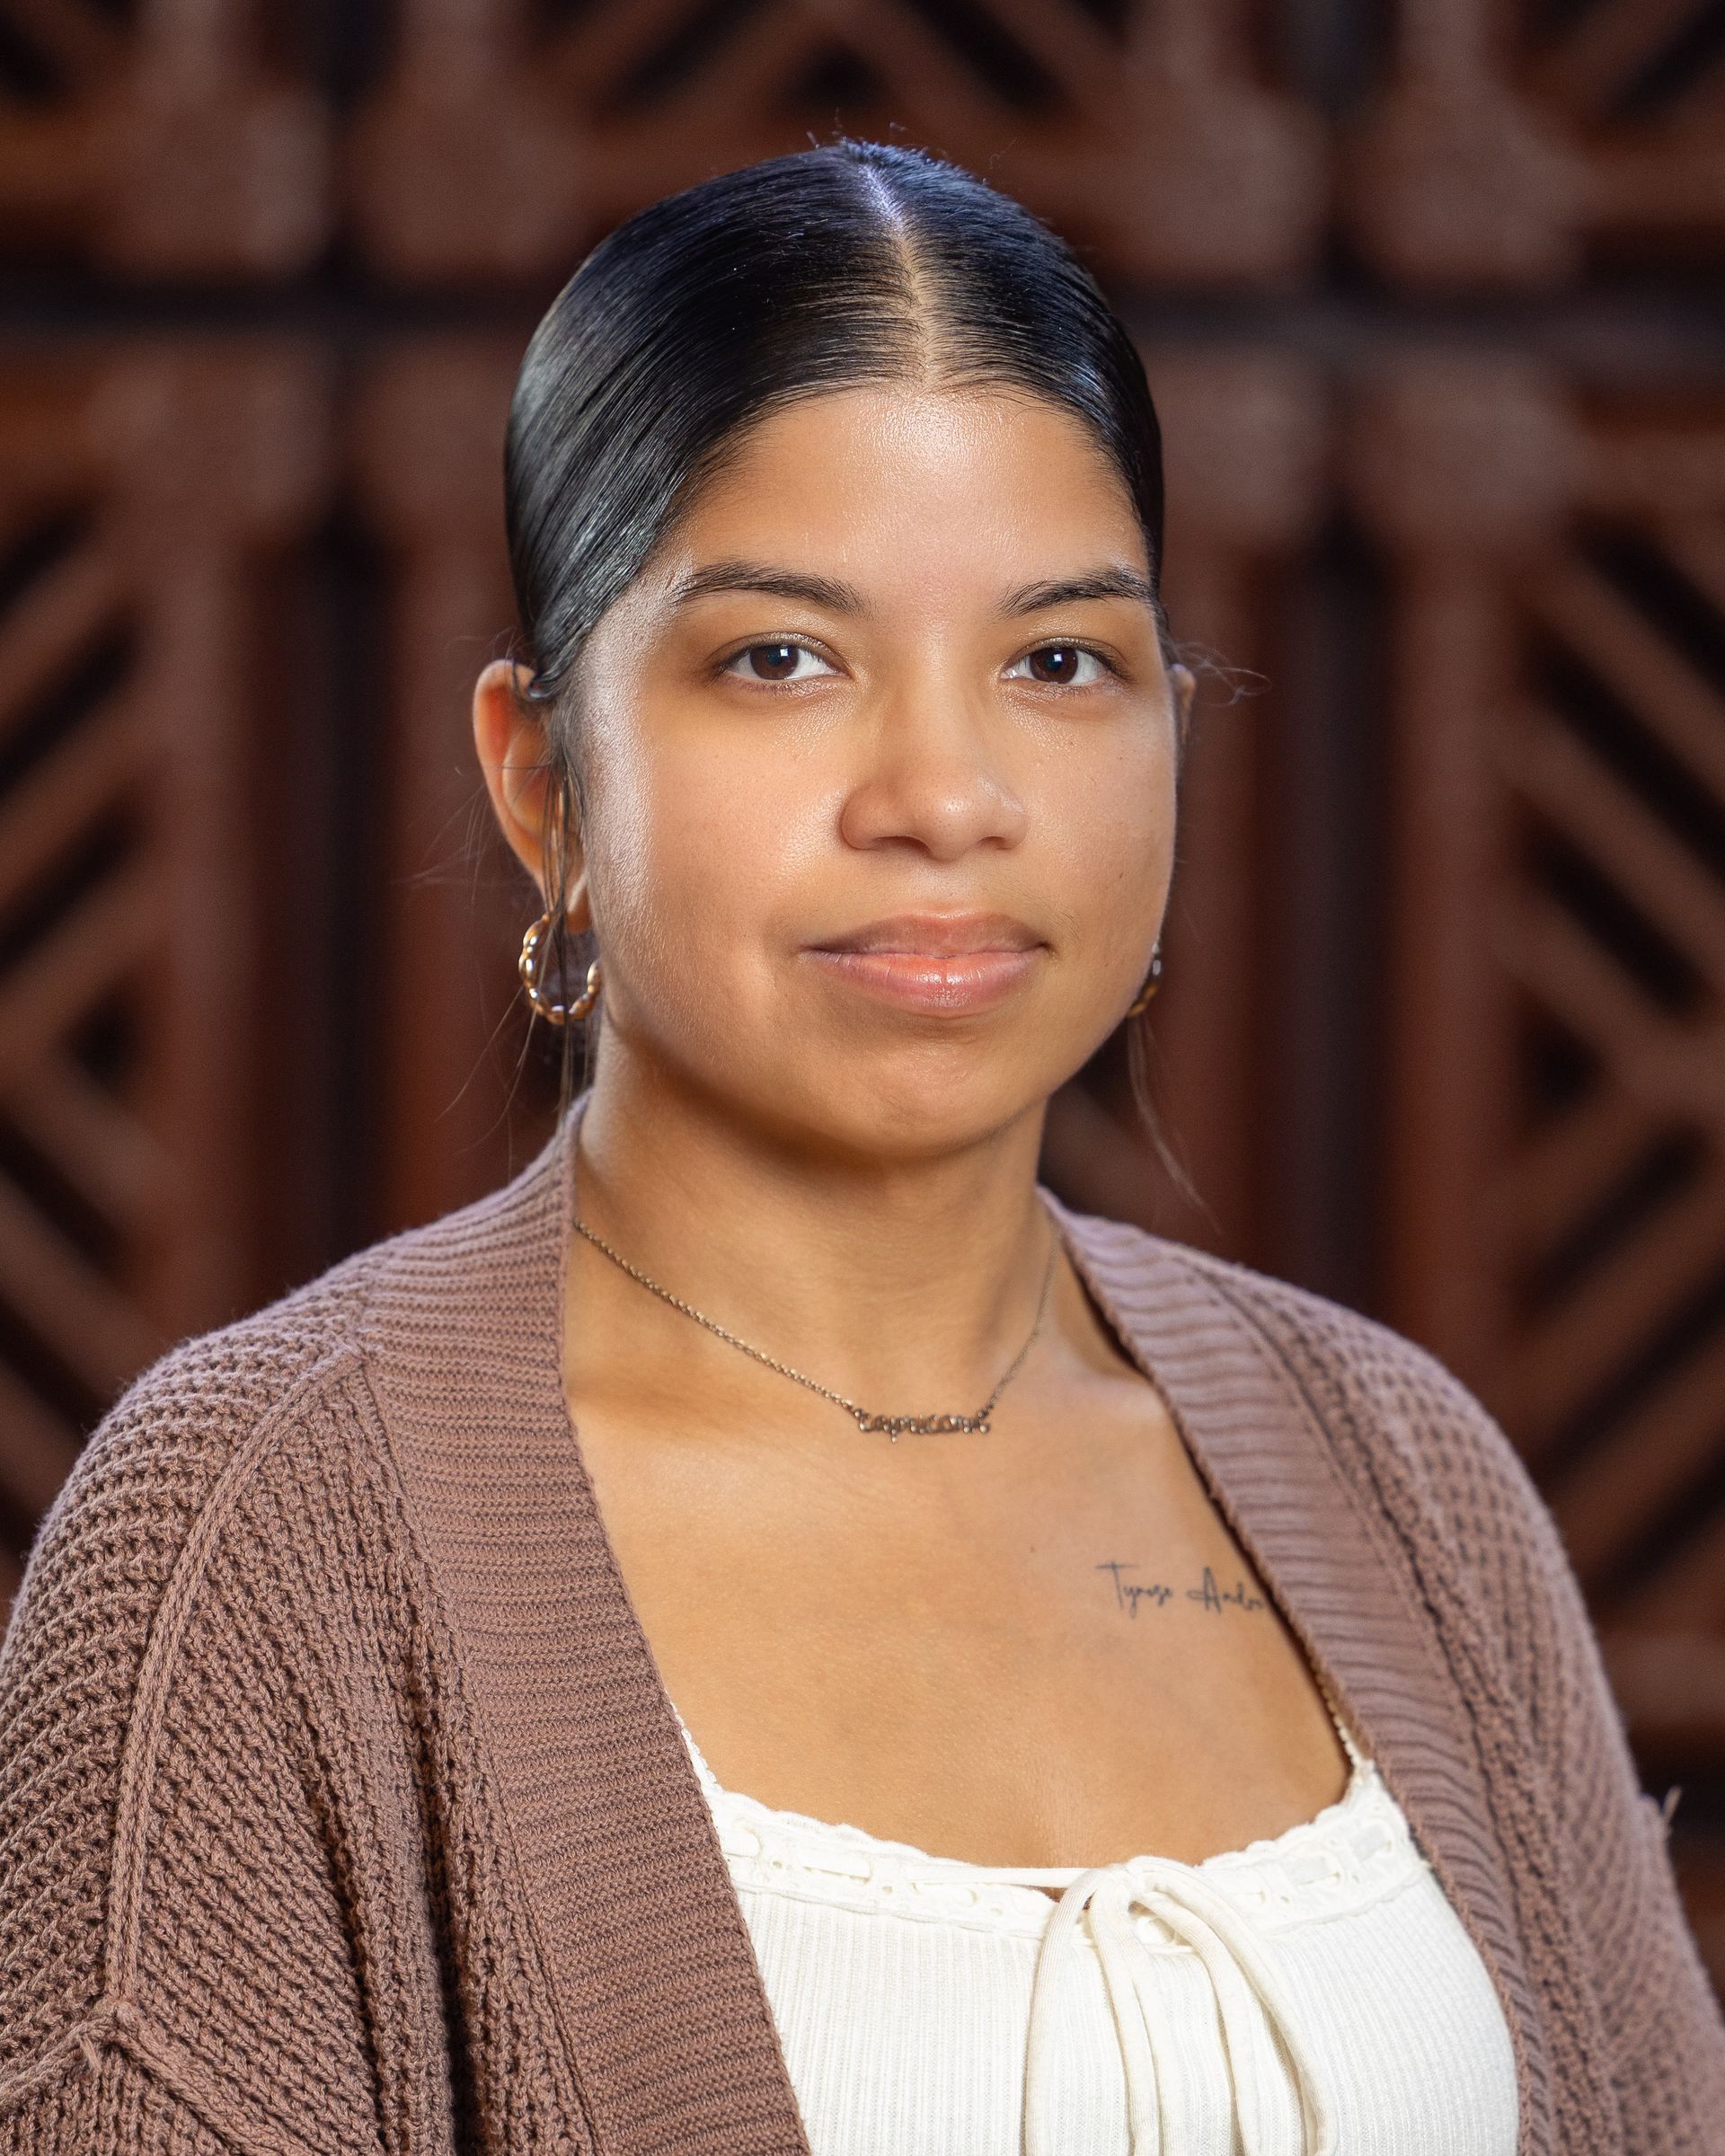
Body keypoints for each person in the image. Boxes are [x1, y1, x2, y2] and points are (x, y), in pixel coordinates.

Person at [0, 138, 1720, 2156]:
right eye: (783, 659)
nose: (943, 792)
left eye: (1058, 661)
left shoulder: (1404, 1476)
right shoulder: (264, 1535)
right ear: (545, 781)